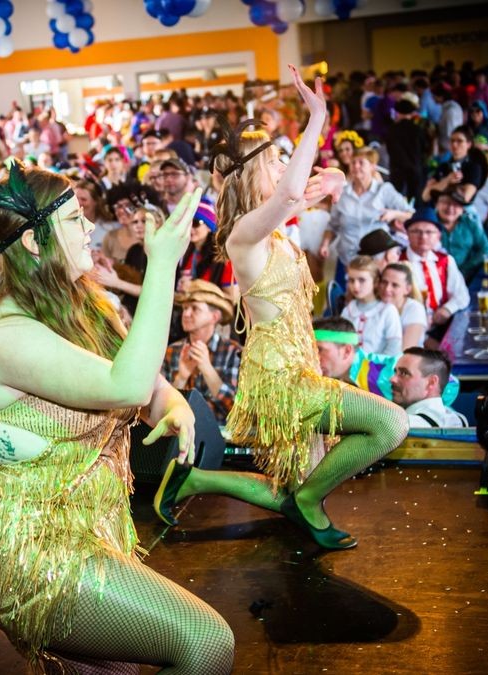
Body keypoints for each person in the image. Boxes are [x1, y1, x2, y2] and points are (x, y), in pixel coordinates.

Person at [0, 162, 234, 672]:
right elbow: (123, 384)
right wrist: (161, 266)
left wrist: (169, 402)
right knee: (205, 641)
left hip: (92, 527)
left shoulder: (80, 301)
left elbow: (139, 373)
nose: (89, 229)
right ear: (36, 243)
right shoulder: (3, 335)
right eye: (74, 219)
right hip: (32, 548)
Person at [155, 66, 409, 550]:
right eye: (277, 161)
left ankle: (194, 481)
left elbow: (303, 190)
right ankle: (308, 502)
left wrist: (332, 176)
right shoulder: (243, 235)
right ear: (257, 171)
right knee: (391, 423)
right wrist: (316, 118)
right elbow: (294, 191)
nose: (285, 168)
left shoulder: (269, 226)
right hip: (282, 382)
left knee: (291, 490)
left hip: (300, 370)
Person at [313, 317, 459, 406]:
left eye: (320, 350)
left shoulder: (380, 370)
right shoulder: (338, 376)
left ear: (346, 351)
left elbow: (451, 383)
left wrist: (412, 413)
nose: (313, 357)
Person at [162, 279, 242, 423]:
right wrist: (181, 377)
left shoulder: (233, 352)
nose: (186, 314)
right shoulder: (172, 351)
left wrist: (207, 368)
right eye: (185, 308)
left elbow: (236, 411)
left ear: (214, 316)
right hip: (178, 435)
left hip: (220, 439)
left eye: (194, 308)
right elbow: (161, 409)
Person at [322, 145, 414, 267]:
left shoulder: (384, 190)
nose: (356, 166)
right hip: (347, 258)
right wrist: (325, 244)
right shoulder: (341, 193)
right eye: (353, 162)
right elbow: (333, 225)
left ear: (373, 167)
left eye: (361, 163)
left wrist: (394, 214)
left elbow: (410, 214)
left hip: (377, 260)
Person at [404, 208, 469, 340]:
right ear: (407, 234)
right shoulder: (399, 263)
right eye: (416, 231)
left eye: (429, 232)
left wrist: (447, 309)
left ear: (438, 236)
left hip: (445, 326)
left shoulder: (445, 260)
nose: (423, 237)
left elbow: (462, 295)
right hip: (411, 331)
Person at [390, 347, 468, 427]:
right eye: (395, 372)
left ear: (431, 382)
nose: (392, 379)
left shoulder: (404, 425)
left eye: (404, 373)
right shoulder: (459, 420)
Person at [341, 255, 403, 355]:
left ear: (375, 282)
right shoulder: (348, 310)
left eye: (362, 280)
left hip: (379, 368)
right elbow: (341, 342)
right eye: (351, 280)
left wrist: (373, 368)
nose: (355, 286)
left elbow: (394, 347)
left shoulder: (387, 311)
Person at [435, 187, 488, 282]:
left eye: (456, 204)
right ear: (437, 204)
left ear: (462, 208)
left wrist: (465, 269)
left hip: (466, 278)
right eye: (446, 202)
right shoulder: (429, 224)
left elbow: (487, 250)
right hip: (435, 278)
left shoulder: (470, 223)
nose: (450, 208)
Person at [379, 262, 428, 349]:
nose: (387, 289)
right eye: (384, 282)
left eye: (395, 285)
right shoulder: (376, 305)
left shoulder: (415, 309)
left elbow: (405, 351)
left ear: (407, 289)